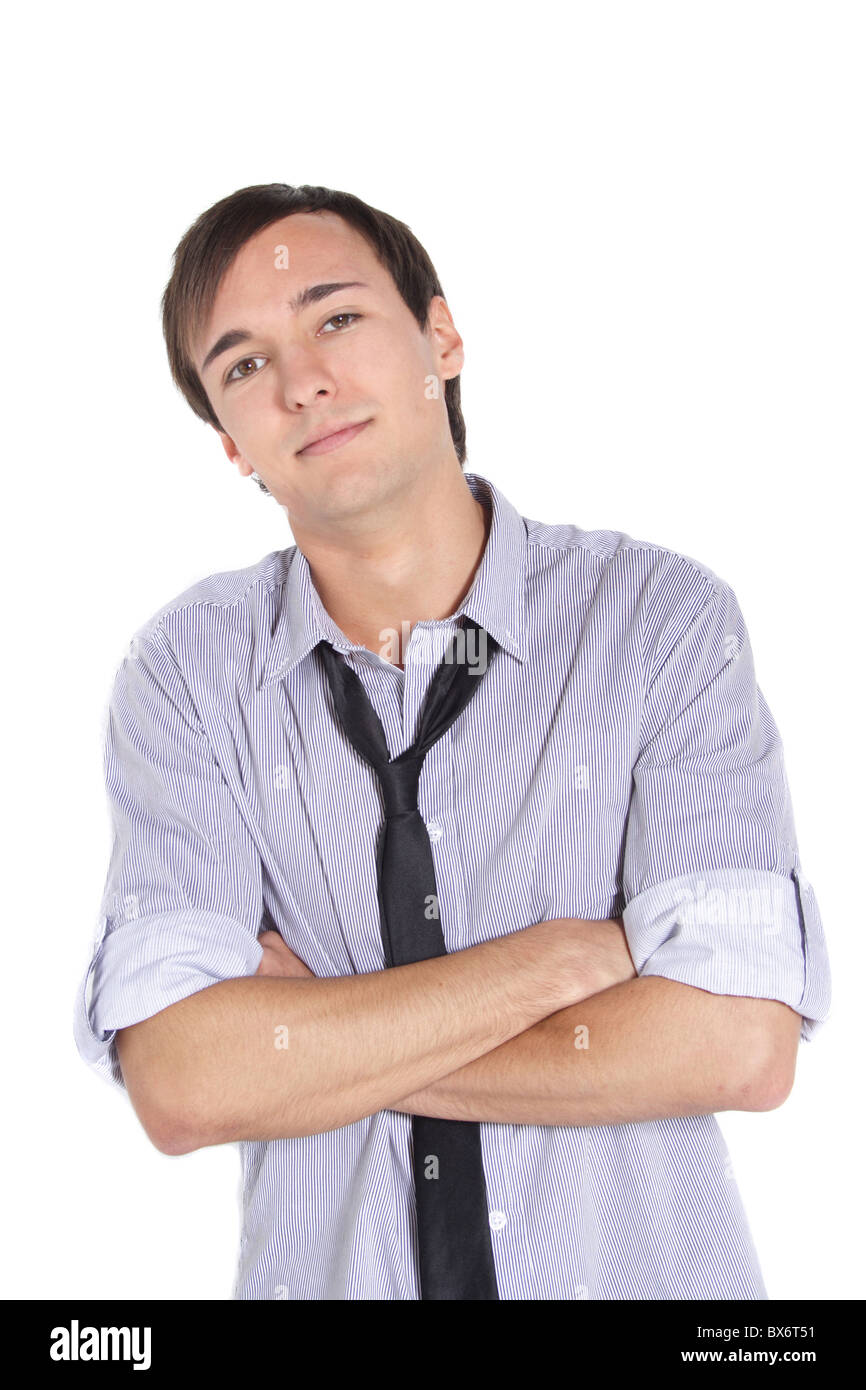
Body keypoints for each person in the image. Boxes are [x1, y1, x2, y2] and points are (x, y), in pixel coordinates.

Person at [73, 183, 831, 1300]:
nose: (302, 383)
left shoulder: (657, 623)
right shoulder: (185, 678)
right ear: (231, 444)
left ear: (439, 335)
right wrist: (569, 960)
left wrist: (316, 1035)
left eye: (336, 318)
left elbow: (737, 1046)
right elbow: (185, 1084)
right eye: (242, 366)